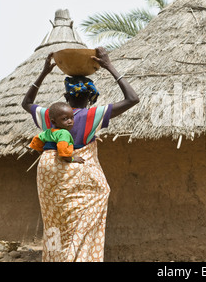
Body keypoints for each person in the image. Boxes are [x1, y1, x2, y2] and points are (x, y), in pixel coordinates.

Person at [22, 47, 139, 262]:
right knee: (84, 220)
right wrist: (109, 66)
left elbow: (26, 103)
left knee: (55, 225)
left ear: (66, 96)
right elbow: (132, 99)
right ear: (92, 97)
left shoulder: (50, 116)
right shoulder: (92, 115)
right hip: (76, 175)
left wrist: (44, 73)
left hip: (49, 178)